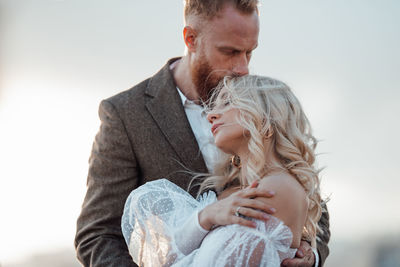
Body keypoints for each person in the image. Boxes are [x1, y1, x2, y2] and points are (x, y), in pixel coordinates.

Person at [75, 1, 330, 266]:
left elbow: (313, 207)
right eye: (230, 51)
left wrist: (308, 257)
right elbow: (98, 233)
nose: (242, 68)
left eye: (249, 53)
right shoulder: (127, 114)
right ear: (191, 39)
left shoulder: (261, 107)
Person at [121, 75, 325, 266]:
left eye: (228, 102)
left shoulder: (276, 188)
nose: (211, 115)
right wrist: (204, 217)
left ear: (266, 116)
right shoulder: (237, 194)